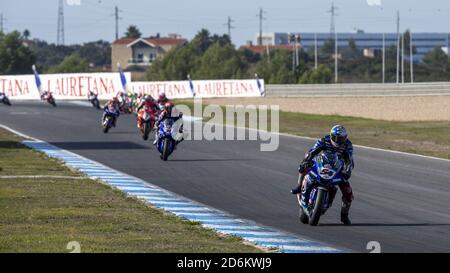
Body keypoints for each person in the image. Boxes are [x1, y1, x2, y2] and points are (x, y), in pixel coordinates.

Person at [291, 125, 354, 225]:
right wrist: (306, 161)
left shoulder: (348, 145)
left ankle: (344, 216)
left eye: (340, 138)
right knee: (306, 160)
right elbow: (313, 151)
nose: (338, 141)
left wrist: (348, 170)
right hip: (321, 163)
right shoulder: (324, 140)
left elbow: (349, 160)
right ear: (331, 136)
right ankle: (299, 185)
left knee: (348, 193)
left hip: (336, 169)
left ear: (345, 138)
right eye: (335, 138)